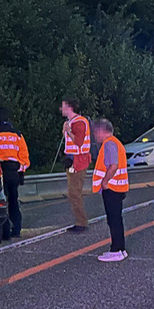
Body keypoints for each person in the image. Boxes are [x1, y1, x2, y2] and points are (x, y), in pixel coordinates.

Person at [0, 108, 30, 240]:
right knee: (13, 200)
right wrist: (21, 170)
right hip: (14, 172)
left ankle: (5, 232)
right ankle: (16, 229)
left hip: (0, 172)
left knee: (1, 201)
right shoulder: (17, 135)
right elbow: (25, 158)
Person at [91, 118, 129, 262]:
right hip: (117, 187)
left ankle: (117, 250)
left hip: (112, 188)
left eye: (95, 132)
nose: (95, 136)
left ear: (102, 131)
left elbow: (113, 165)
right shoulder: (116, 143)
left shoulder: (109, 144)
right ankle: (119, 249)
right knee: (116, 219)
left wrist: (104, 181)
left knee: (113, 220)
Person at [61, 98, 91, 233]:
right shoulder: (72, 122)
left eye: (63, 106)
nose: (61, 109)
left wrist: (68, 131)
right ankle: (80, 221)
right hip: (73, 160)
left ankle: (81, 222)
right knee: (73, 191)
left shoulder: (79, 122)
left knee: (74, 191)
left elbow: (78, 142)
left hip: (78, 161)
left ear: (70, 107)